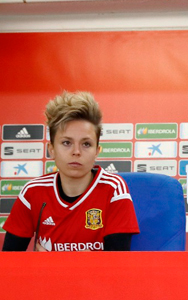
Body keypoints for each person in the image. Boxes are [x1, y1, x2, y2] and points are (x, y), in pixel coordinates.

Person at [2, 91, 139, 251]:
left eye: (86, 144)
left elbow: (118, 262)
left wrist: (59, 262)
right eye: (67, 143)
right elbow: (8, 259)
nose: (76, 152)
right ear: (51, 149)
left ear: (97, 151)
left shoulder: (114, 189)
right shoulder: (32, 192)